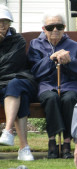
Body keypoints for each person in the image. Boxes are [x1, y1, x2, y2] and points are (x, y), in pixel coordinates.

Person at [27, 11, 77, 159]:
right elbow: (35, 72)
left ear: (64, 28)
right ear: (43, 28)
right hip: (46, 85)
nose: (55, 30)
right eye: (50, 27)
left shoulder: (73, 45)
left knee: (70, 99)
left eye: (59, 26)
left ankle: (66, 143)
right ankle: (52, 141)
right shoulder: (35, 44)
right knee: (51, 98)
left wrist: (69, 62)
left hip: (69, 84)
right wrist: (50, 58)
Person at [0, 5, 37, 161]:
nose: (2, 25)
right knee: (20, 97)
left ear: (10, 23)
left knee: (16, 86)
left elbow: (12, 65)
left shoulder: (18, 40)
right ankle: (24, 148)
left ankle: (8, 131)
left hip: (17, 78)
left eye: (5, 21)